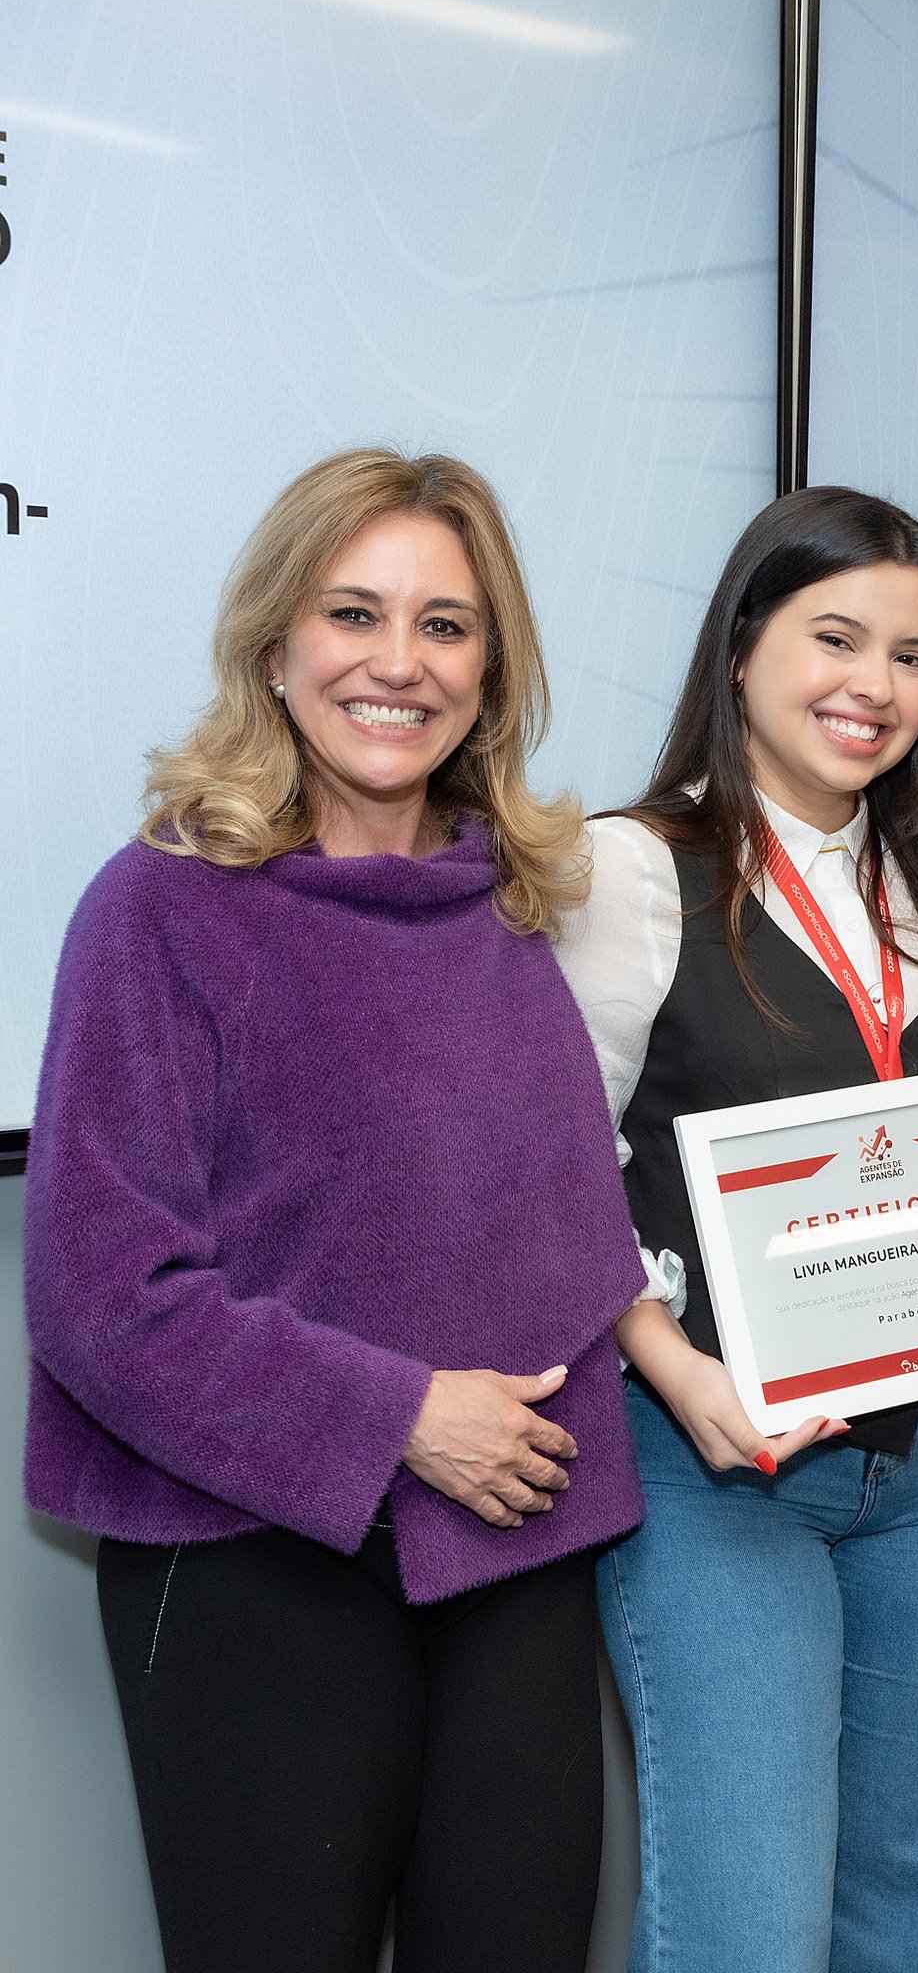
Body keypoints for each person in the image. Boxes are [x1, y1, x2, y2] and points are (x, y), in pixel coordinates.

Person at [23, 449, 647, 1973]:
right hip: (253, 1565)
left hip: (512, 1552)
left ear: (489, 673)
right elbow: (104, 1294)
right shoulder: (157, 909)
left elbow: (568, 1240)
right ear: (274, 647)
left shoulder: (510, 903)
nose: (397, 662)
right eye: (353, 613)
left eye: (445, 625)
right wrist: (400, 1416)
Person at [554, 485, 918, 1973]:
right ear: (744, 642)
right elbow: (555, 1176)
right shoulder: (629, 873)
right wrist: (674, 1372)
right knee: (747, 1925)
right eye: (835, 637)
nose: (874, 685)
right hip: (723, 1470)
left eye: (914, 656)